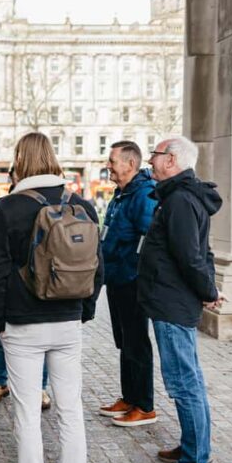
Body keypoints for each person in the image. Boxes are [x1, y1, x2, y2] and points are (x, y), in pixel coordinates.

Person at [0, 132, 103, 463]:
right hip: (68, 320)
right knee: (70, 410)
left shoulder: (5, 208)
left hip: (22, 324)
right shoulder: (83, 204)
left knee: (27, 413)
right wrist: (86, 309)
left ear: (19, 161)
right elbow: (98, 266)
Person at [139, 137, 226, 463]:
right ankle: (193, 446)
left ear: (171, 160)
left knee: (184, 383)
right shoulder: (179, 197)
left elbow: (191, 256)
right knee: (187, 380)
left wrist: (208, 290)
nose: (150, 160)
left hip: (172, 304)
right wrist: (209, 289)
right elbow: (200, 252)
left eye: (155, 155)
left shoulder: (179, 200)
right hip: (171, 301)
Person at [0, 167, 51, 410]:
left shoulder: (43, 205)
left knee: (40, 341)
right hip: (6, 284)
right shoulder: (0, 206)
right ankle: (0, 382)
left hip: (37, 286)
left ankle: (40, 387)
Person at [97, 141, 158, 427]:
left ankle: (144, 406)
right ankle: (129, 398)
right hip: (117, 278)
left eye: (112, 161)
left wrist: (136, 273)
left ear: (130, 164)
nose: (108, 166)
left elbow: (150, 241)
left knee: (137, 342)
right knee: (125, 342)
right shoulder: (122, 194)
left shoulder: (143, 195)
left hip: (133, 281)